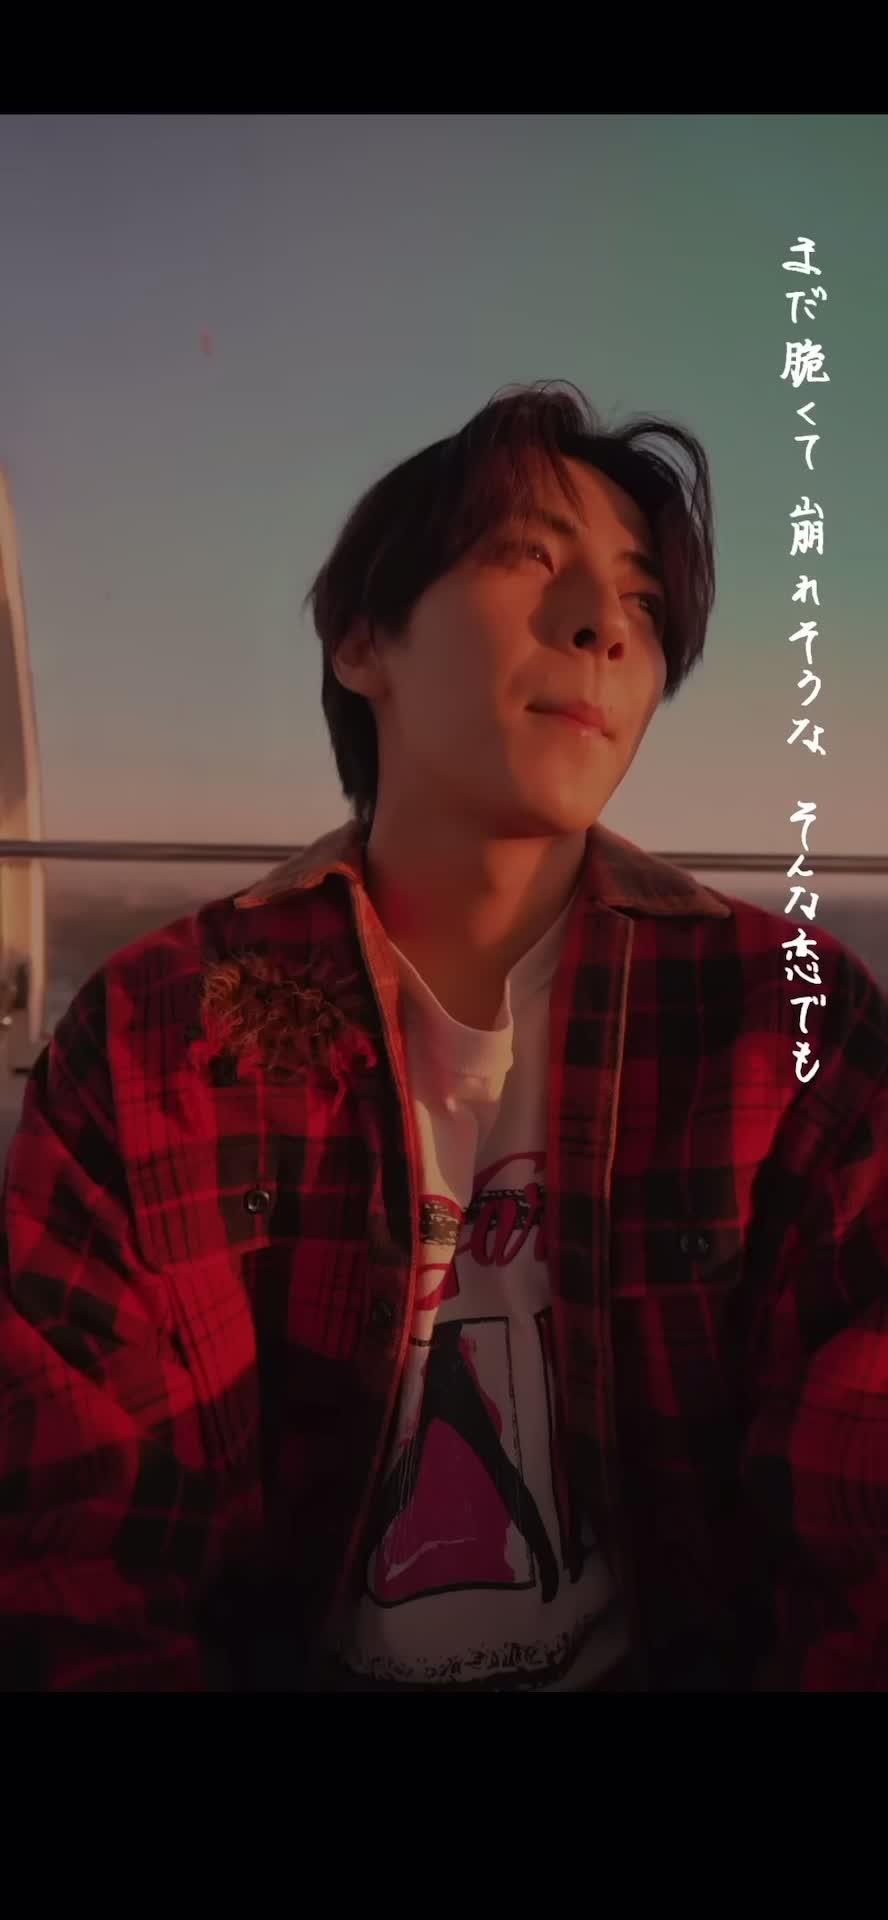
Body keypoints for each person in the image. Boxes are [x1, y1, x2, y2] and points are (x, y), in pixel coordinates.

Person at [1, 380, 886, 1691]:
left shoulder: (782, 1026)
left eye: (644, 604)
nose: (604, 626)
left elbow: (861, 1520)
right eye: (529, 555)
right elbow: (76, 1553)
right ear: (364, 640)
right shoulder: (160, 1039)